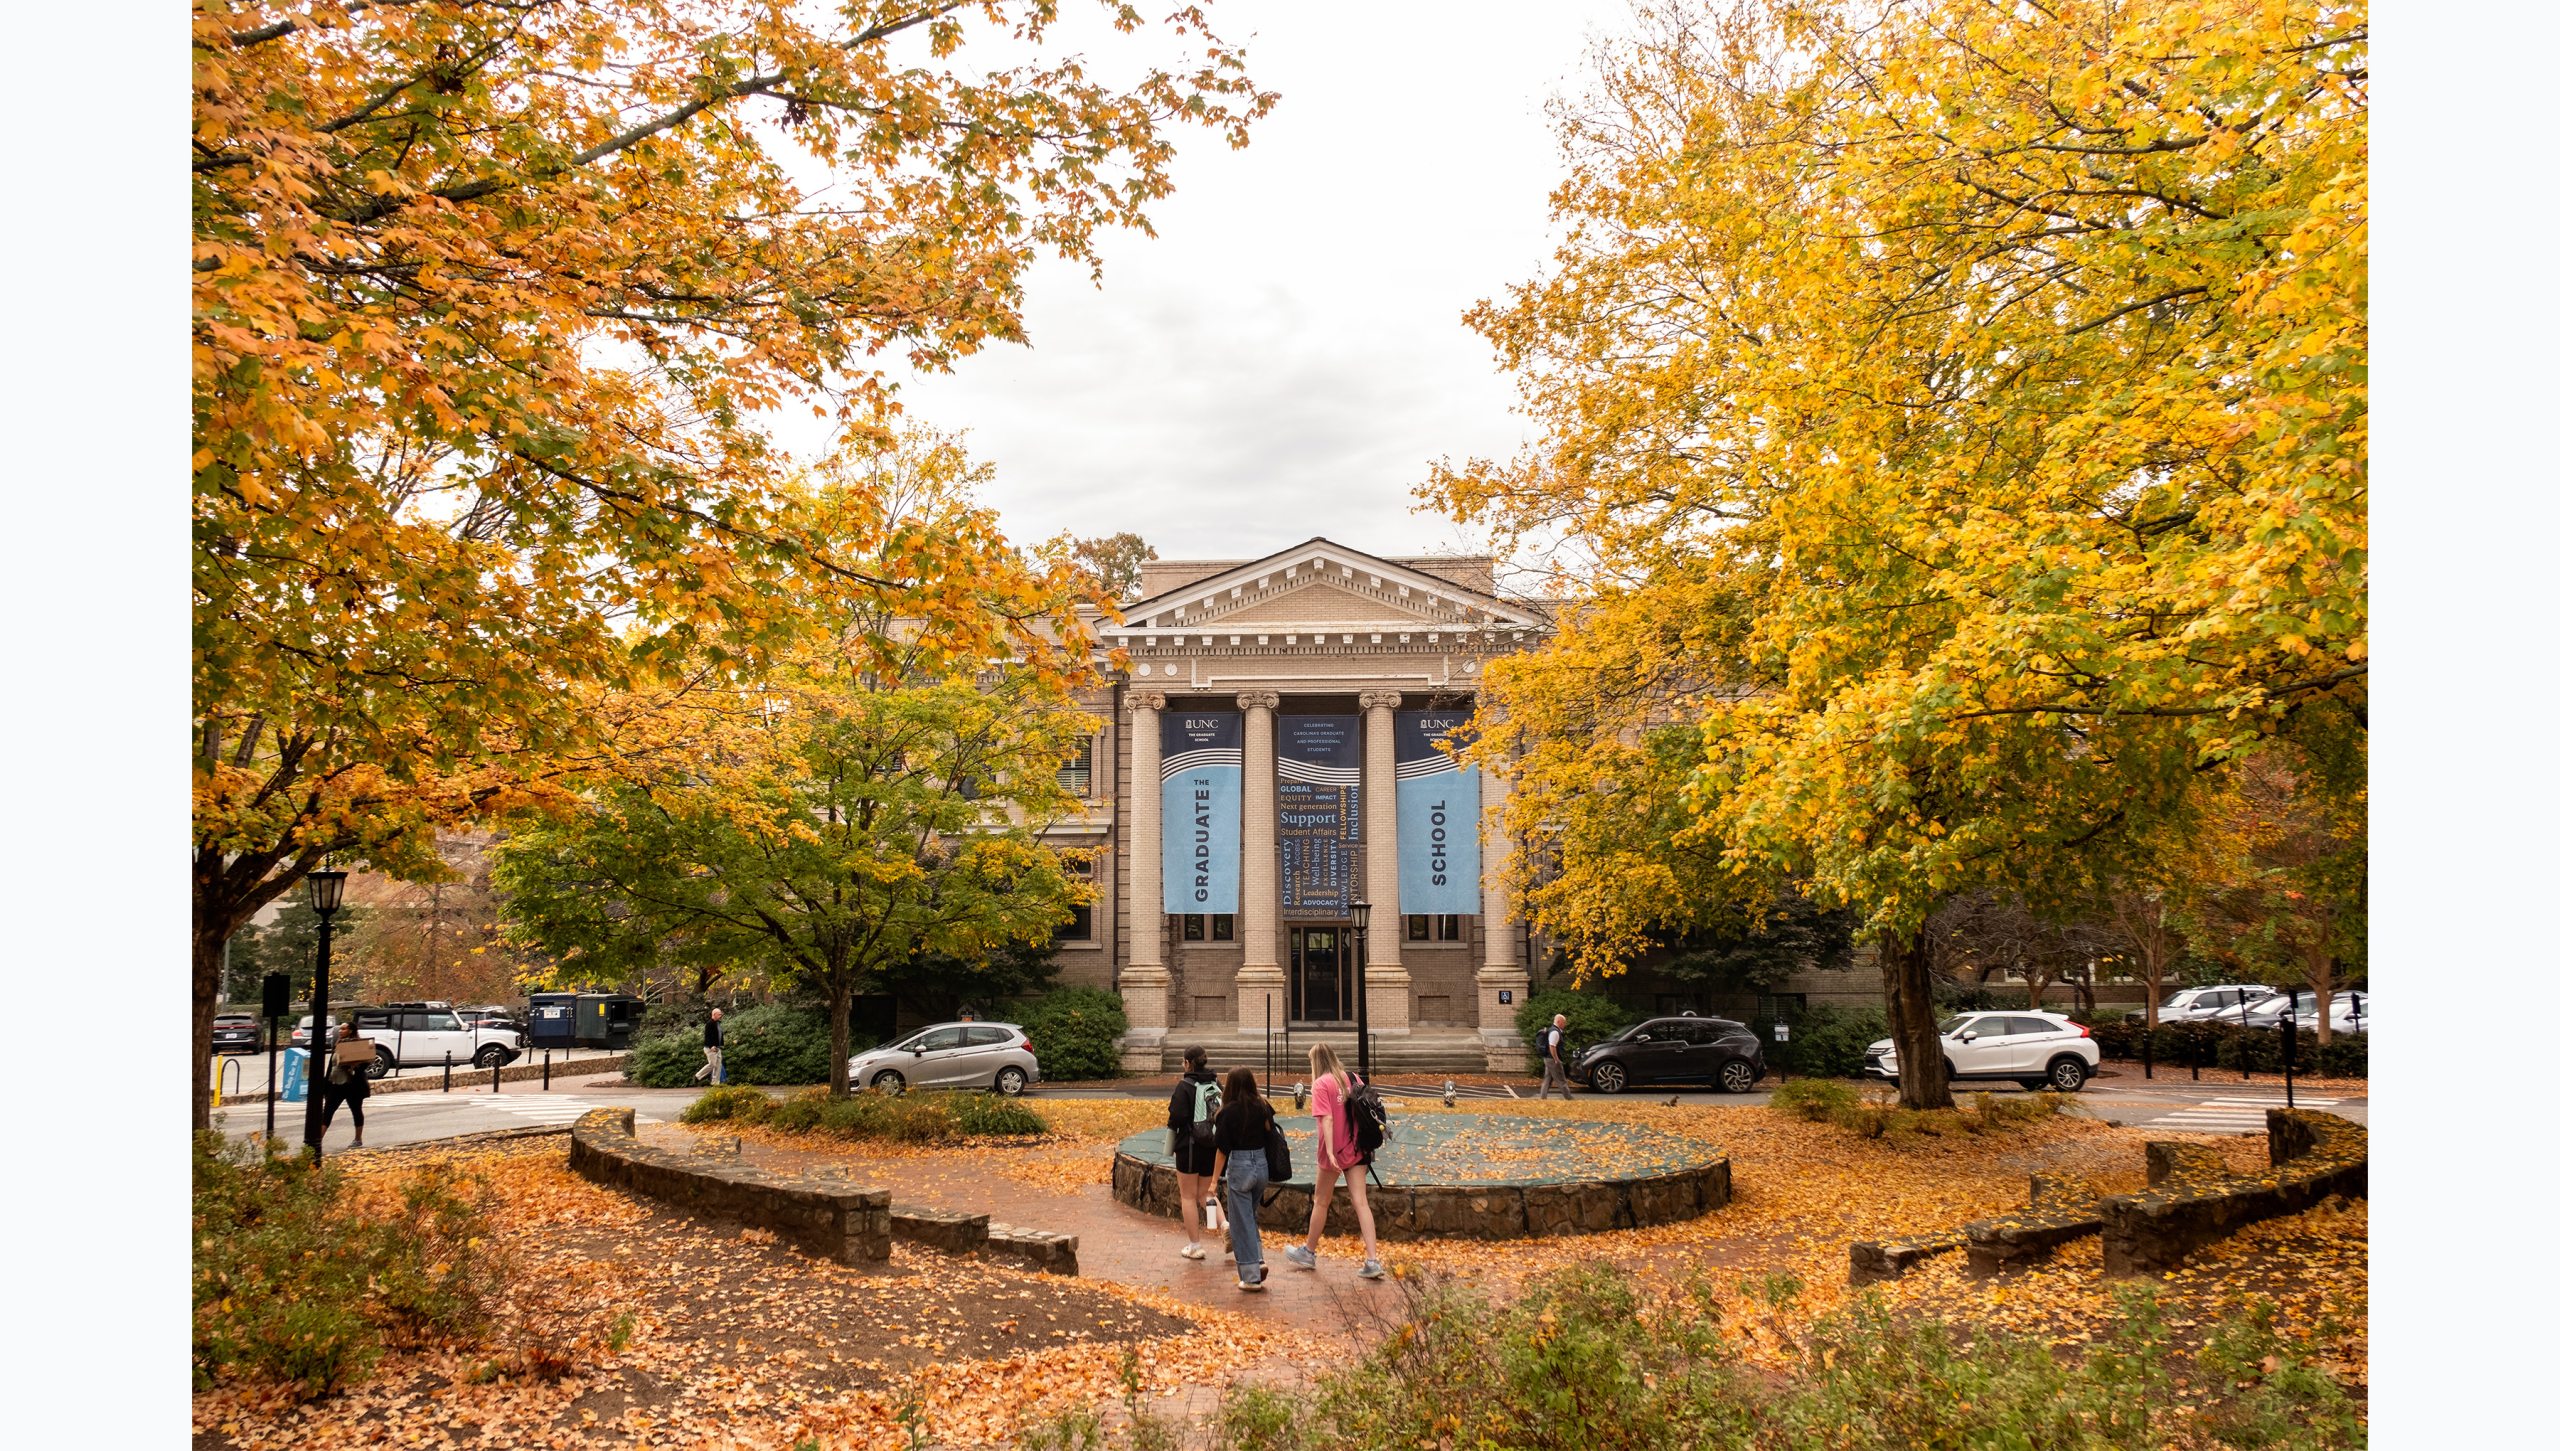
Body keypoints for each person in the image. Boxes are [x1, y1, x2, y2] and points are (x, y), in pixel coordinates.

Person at [1284, 1043, 1385, 1280]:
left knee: (1321, 1201)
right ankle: (1372, 1260)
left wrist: (1330, 1152)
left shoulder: (1321, 1084)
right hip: (1358, 1149)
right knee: (1361, 1202)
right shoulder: (1353, 1078)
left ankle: (1308, 1251)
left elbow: (1327, 1120)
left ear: (1315, 1062)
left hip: (1335, 1151)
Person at [1210, 1067, 1277, 1291]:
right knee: (1249, 1216)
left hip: (1240, 1166)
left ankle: (1251, 1274)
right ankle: (1258, 1258)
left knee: (1240, 1222)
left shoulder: (1227, 1112)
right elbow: (1270, 1132)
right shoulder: (1262, 1106)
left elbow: (1222, 1149)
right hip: (1261, 1164)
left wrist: (1213, 1181)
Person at [1166, 1046, 1221, 1261]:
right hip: (1211, 1145)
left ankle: (1195, 1245)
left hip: (1188, 1147)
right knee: (1206, 1194)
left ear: (1188, 1063)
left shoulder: (1185, 1086)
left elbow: (1177, 1117)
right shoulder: (1215, 1083)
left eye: (1183, 1062)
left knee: (1188, 1196)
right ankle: (1222, 1225)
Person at [320, 1022, 371, 1149]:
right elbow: (331, 1066)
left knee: (356, 1110)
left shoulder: (357, 1045)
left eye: (344, 1028)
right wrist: (326, 1084)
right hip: (335, 1084)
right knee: (327, 1112)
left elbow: (365, 1063)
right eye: (340, 1029)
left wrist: (353, 1066)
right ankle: (317, 1141)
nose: (341, 1031)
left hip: (352, 1085)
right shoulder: (338, 1044)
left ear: (351, 1030)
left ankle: (358, 1139)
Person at [1537, 1013, 1574, 1099]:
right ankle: (1569, 1098)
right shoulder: (1555, 1032)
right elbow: (1552, 1046)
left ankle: (1542, 1098)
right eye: (1563, 1022)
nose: (1565, 1024)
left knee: (1548, 1079)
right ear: (1558, 1021)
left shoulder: (1551, 1030)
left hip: (1548, 1058)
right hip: (1552, 1059)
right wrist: (1556, 1059)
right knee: (1561, 1080)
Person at [695, 1007, 726, 1085]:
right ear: (714, 1014)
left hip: (717, 1048)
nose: (720, 1016)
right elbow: (707, 1036)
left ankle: (715, 1083)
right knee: (712, 1064)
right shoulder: (709, 1024)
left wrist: (721, 1044)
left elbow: (719, 1034)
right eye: (719, 1014)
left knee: (718, 1066)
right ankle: (698, 1076)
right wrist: (711, 1045)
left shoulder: (718, 1023)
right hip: (710, 1048)